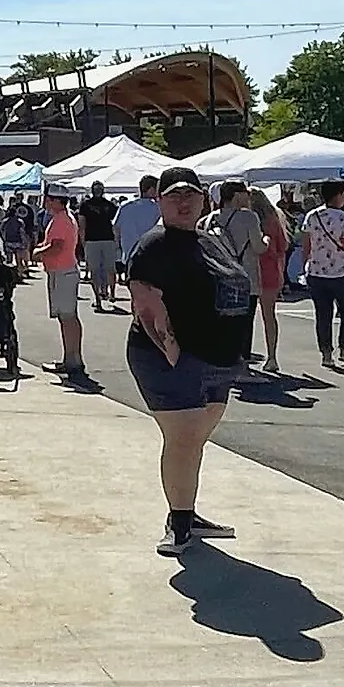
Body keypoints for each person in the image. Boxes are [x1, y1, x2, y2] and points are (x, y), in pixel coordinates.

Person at [124, 166, 250, 557]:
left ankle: (187, 511)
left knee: (194, 441)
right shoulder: (153, 245)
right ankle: (178, 524)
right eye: (174, 195)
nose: (183, 202)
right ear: (158, 201)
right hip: (170, 361)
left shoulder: (208, 241)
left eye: (190, 195)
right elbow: (146, 307)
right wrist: (174, 355)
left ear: (203, 199)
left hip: (215, 360)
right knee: (182, 441)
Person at [301, 178, 344, 370]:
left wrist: (305, 265)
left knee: (323, 314)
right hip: (342, 270)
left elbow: (307, 244)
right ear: (339, 195)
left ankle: (326, 353)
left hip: (316, 270)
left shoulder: (312, 216)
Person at [204, 180, 265, 362]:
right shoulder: (248, 217)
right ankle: (241, 365)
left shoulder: (208, 219)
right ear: (237, 195)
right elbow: (259, 247)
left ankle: (219, 362)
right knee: (244, 325)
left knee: (219, 324)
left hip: (216, 277)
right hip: (244, 278)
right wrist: (267, 240)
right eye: (246, 193)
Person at [34, 184, 86, 380]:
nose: (46, 202)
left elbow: (56, 247)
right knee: (67, 317)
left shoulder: (62, 220)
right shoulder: (62, 218)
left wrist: (38, 252)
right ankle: (70, 358)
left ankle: (73, 360)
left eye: (48, 199)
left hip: (63, 271)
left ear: (55, 200)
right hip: (61, 270)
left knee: (67, 316)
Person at [250, 184, 289, 377]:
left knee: (245, 316)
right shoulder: (274, 218)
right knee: (269, 315)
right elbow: (283, 247)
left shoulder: (245, 220)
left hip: (250, 269)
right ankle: (272, 356)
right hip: (270, 270)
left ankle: (243, 355)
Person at [78, 182, 122, 310]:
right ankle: (109, 294)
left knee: (95, 270)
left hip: (93, 240)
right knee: (108, 269)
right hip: (106, 239)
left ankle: (100, 298)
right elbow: (116, 225)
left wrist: (83, 242)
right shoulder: (109, 205)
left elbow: (82, 225)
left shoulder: (86, 205)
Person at [114, 174, 164, 269]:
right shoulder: (158, 208)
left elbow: (116, 229)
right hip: (152, 255)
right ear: (151, 190)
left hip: (129, 255)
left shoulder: (125, 207)